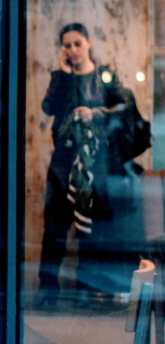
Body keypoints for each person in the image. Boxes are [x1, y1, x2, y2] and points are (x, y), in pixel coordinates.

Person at [37, 22, 142, 305]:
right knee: (55, 226)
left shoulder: (103, 75)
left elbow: (125, 107)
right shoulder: (62, 76)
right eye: (67, 45)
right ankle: (49, 290)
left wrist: (96, 112)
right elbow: (48, 107)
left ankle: (86, 289)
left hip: (95, 163)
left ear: (88, 43)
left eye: (77, 44)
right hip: (63, 162)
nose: (72, 50)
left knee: (90, 229)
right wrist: (62, 73)